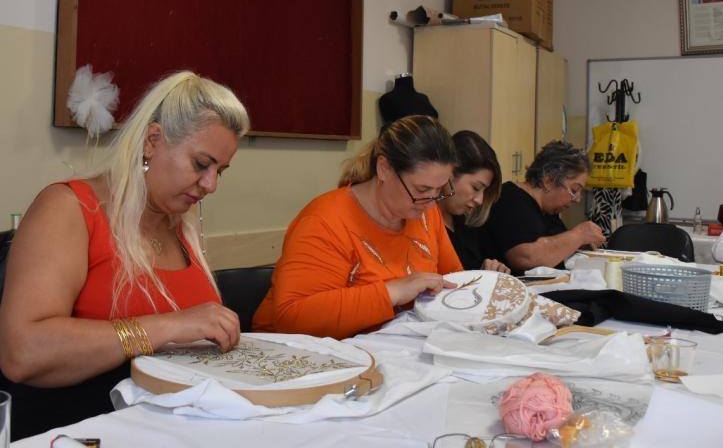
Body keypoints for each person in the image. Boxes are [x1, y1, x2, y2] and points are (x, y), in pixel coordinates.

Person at [0, 71, 249, 439]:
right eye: (201, 164)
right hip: (76, 432)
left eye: (220, 172)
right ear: (152, 141)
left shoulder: (179, 226)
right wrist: (168, 327)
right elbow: (23, 354)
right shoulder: (69, 209)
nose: (210, 185)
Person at [252, 115, 461, 339]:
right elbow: (292, 317)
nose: (431, 203)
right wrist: (393, 292)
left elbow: (455, 281)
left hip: (389, 346)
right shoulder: (326, 221)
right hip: (295, 351)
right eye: (421, 190)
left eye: (440, 190)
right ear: (384, 169)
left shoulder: (425, 212)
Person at [483, 140, 605, 273]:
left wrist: (579, 244)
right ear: (548, 181)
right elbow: (526, 258)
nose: (578, 199)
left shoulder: (549, 211)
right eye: (574, 190)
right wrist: (579, 235)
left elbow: (555, 247)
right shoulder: (510, 199)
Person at [438, 131, 509, 273]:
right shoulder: (424, 222)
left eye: (484, 191)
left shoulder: (465, 226)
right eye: (476, 188)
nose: (480, 200)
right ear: (450, 174)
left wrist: (484, 272)